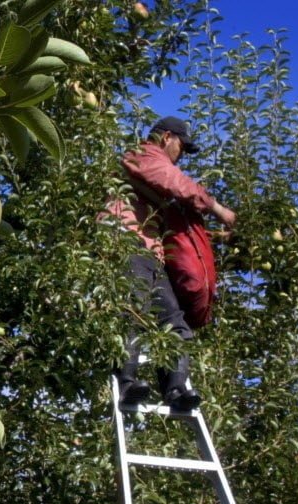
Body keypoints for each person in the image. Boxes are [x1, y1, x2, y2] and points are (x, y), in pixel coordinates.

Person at [105, 116, 237, 409]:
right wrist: (217, 208)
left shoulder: (158, 178)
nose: (181, 157)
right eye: (182, 147)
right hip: (125, 242)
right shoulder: (142, 155)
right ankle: (127, 383)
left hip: (151, 254)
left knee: (174, 322)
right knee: (134, 308)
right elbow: (174, 180)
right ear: (167, 138)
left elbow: (179, 230)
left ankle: (176, 390)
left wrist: (216, 237)